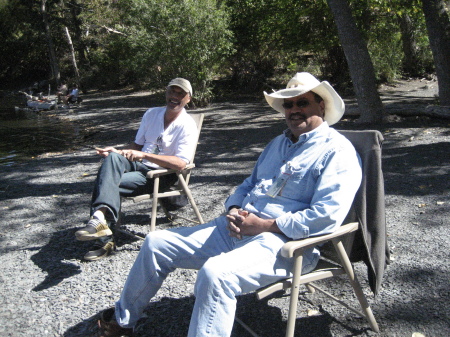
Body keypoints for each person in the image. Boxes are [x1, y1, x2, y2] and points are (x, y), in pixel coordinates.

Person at [97, 72, 363, 337]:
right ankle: (123, 323)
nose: (294, 110)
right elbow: (249, 184)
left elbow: (327, 216)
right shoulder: (278, 144)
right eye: (288, 104)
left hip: (285, 244)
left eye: (302, 103)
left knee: (216, 274)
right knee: (155, 243)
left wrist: (264, 225)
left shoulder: (337, 151)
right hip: (236, 228)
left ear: (322, 106)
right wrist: (234, 209)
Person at [74, 78, 198, 261]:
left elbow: (180, 163)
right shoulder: (152, 114)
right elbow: (136, 146)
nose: (175, 96)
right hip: (138, 164)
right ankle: (100, 218)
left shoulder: (187, 125)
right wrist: (118, 151)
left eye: (181, 94)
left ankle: (105, 240)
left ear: (188, 98)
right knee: (113, 159)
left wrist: (145, 156)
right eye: (172, 91)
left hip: (160, 174)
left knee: (108, 182)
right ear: (166, 92)